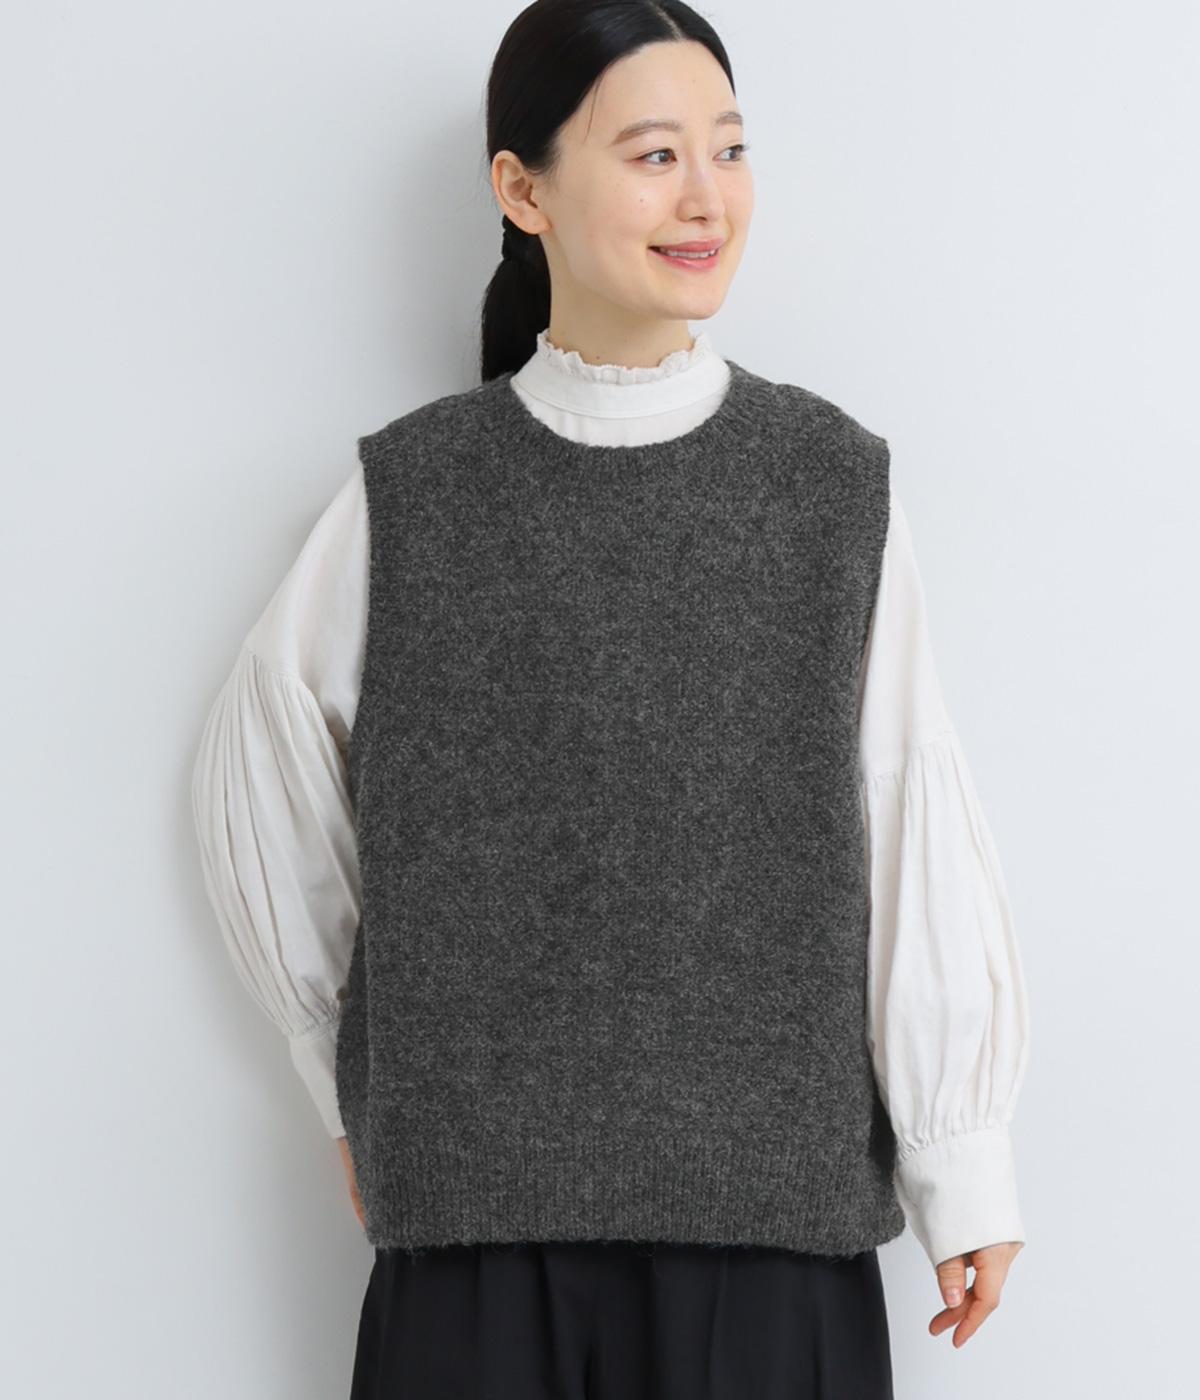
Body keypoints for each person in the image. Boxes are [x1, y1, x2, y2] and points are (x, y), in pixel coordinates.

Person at [190, 2, 1030, 1395]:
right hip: (475, 1246)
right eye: (654, 154)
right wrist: (346, 1072)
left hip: (773, 1243)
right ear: (523, 191)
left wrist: (963, 1159)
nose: (707, 197)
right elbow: (262, 764)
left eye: (730, 149)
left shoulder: (827, 486)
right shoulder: (416, 492)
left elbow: (905, 811)